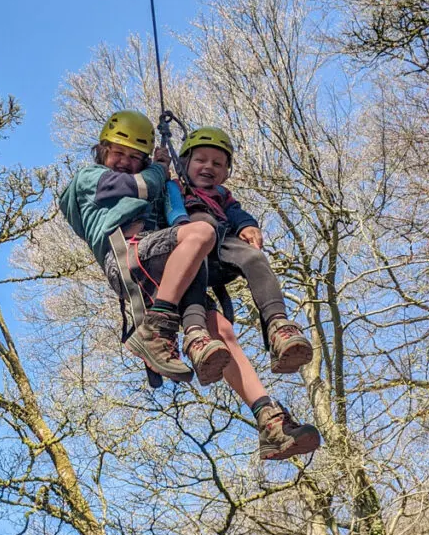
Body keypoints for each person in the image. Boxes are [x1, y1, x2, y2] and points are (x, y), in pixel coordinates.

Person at [59, 110, 320, 460]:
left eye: (134, 157)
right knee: (200, 233)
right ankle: (157, 327)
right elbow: (143, 185)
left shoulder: (148, 183)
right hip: (128, 254)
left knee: (222, 332)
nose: (125, 161)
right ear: (102, 150)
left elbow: (167, 195)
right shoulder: (92, 178)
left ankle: (269, 421)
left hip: (160, 259)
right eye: (117, 152)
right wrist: (159, 166)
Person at [177, 127, 314, 375]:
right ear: (184, 163)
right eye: (200, 160)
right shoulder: (173, 187)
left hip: (222, 244)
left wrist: (248, 225)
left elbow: (236, 213)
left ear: (226, 173)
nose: (209, 167)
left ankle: (278, 326)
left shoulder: (221, 194)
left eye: (218, 164)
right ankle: (196, 334)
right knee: (193, 267)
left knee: (254, 257)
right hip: (190, 248)